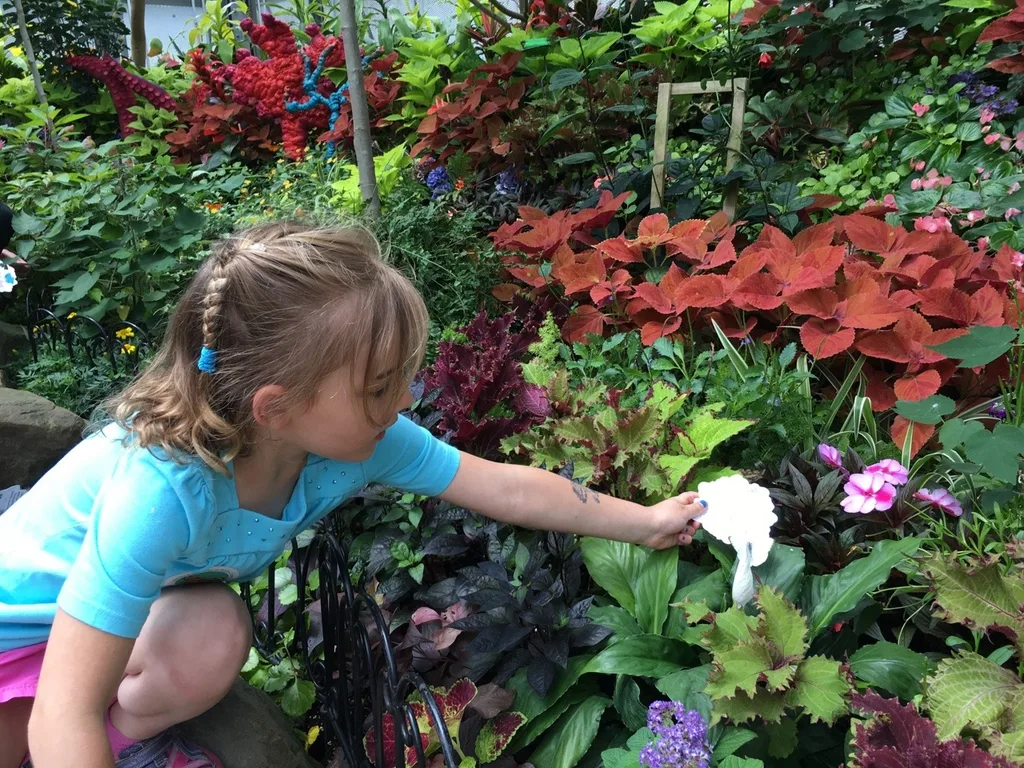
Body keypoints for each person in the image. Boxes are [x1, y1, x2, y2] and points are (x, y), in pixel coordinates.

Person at [0, 222, 705, 768]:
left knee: (212, 633)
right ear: (275, 408)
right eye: (378, 386)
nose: (403, 399)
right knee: (52, 729)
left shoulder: (357, 438)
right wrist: (67, 732)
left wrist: (644, 522)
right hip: (14, 636)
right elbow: (63, 706)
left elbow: (502, 486)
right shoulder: (160, 490)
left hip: (114, 631)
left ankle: (120, 743)